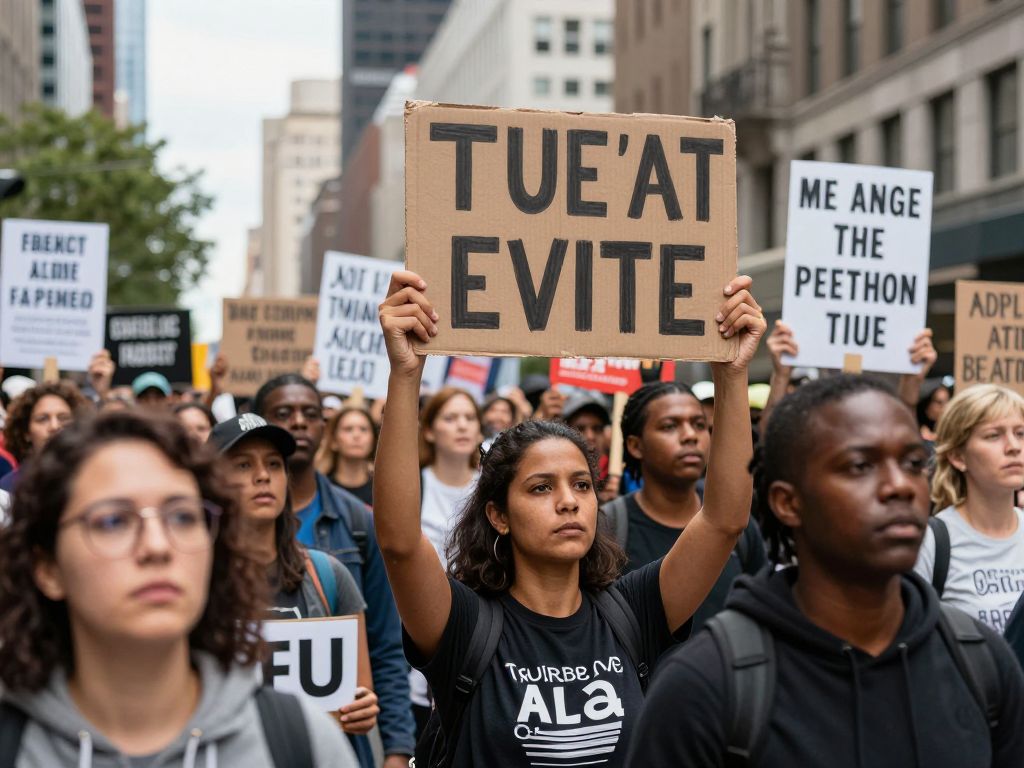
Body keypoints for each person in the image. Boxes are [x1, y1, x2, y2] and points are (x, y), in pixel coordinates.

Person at [374, 270, 765, 767]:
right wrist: (405, 375)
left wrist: (732, 373)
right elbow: (400, 542)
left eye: (581, 484)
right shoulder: (463, 625)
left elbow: (724, 521)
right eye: (541, 487)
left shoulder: (634, 611)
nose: (568, 501)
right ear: (498, 515)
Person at [628, 375, 1024, 767]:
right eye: (860, 465)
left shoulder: (981, 660)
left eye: (914, 463)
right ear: (787, 502)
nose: (900, 486)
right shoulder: (705, 686)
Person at [0, 410, 356, 766]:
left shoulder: (300, 742)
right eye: (113, 521)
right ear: (47, 567)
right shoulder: (13, 745)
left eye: (183, 516)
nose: (158, 546)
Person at [254, 374, 415, 768]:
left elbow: (386, 646)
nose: (298, 422)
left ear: (325, 427)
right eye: (283, 413)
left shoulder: (359, 523)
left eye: (310, 413)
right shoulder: (206, 554)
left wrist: (396, 750)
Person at [210, 413, 381, 767]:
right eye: (243, 465)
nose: (263, 475)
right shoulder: (194, 585)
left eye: (274, 464)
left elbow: (360, 692)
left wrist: (362, 708)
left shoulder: (329, 575)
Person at [605, 381, 766, 633]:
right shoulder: (607, 529)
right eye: (670, 426)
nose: (690, 435)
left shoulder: (740, 525)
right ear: (636, 446)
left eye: (699, 425)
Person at [914, 384, 1024, 633]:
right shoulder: (931, 543)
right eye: (993, 436)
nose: (1013, 446)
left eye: (1021, 433)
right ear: (958, 457)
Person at [1, 381, 90, 492]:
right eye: (42, 419)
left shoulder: (93, 480)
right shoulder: (7, 489)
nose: (54, 426)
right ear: (26, 432)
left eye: (63, 418)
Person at [562, 391, 619, 502]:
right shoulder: (554, 475)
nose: (590, 436)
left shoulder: (619, 475)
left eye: (597, 428)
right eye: (581, 428)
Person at [316, 406, 378, 506]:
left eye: (363, 429)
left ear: (373, 441)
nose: (356, 435)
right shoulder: (320, 489)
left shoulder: (382, 490)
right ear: (333, 441)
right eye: (348, 429)